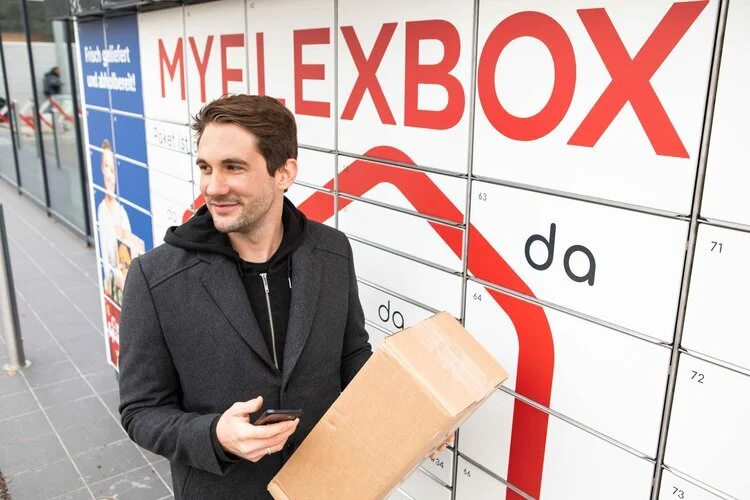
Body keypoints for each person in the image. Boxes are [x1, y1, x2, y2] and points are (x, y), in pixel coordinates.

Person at [117, 95, 375, 499]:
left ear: (284, 172)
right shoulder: (156, 277)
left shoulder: (333, 252)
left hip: (328, 485)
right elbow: (140, 412)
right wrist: (214, 435)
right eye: (206, 168)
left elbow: (352, 356)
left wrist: (402, 411)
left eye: (233, 167)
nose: (213, 187)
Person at [96, 139, 131, 305]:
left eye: (112, 169)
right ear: (101, 169)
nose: (109, 176)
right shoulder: (101, 210)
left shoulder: (122, 214)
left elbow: (131, 257)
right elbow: (104, 257)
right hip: (112, 289)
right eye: (106, 167)